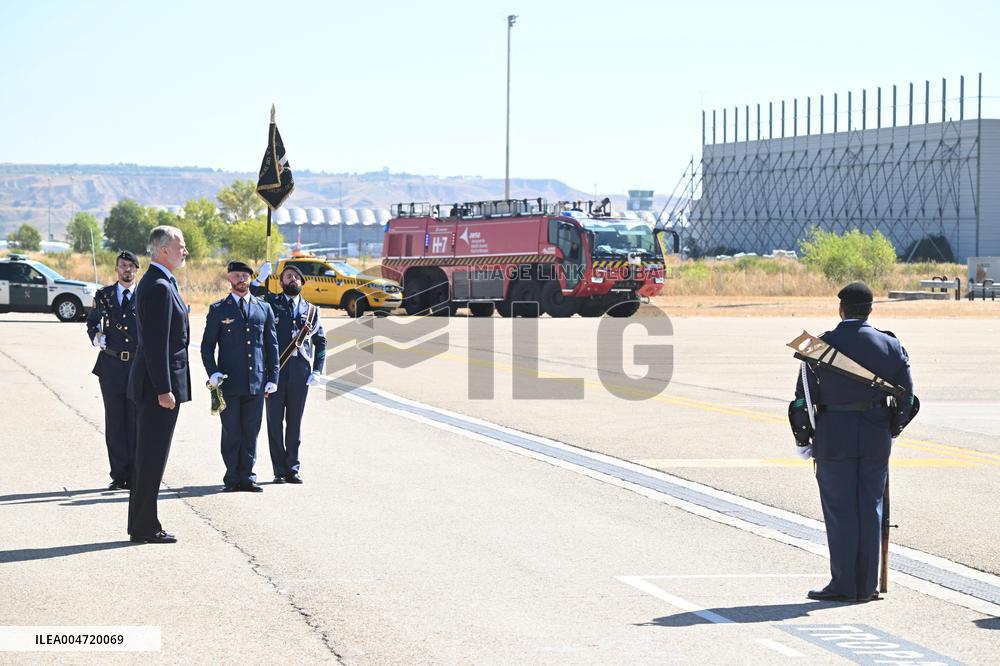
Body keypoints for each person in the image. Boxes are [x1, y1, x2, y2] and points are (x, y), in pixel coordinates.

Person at [796, 282, 914, 602]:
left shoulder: (819, 346)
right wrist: (892, 428)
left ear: (840, 309)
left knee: (840, 511)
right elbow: (910, 400)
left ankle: (843, 584)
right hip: (876, 436)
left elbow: (802, 402)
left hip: (834, 437)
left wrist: (804, 440)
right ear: (871, 310)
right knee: (871, 509)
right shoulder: (891, 345)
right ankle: (866, 587)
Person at [126, 226, 191, 544]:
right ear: (163, 249)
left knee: (148, 458)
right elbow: (155, 344)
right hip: (157, 389)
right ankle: (145, 527)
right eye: (181, 245)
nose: (185, 251)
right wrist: (164, 389)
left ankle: (141, 523)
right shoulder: (159, 286)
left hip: (155, 385)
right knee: (151, 459)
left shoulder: (160, 282)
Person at [201, 261, 279, 492]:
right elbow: (207, 347)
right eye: (236, 276)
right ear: (229, 279)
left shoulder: (263, 308)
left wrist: (273, 377)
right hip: (229, 381)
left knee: (251, 431)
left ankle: (248, 476)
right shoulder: (219, 309)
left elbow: (271, 346)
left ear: (250, 278)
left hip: (256, 382)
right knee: (231, 431)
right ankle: (232, 476)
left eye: (245, 276)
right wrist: (213, 372)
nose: (241, 280)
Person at [264, 264, 326, 484]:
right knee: (274, 423)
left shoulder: (312, 310)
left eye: (296, 277)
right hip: (276, 372)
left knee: (294, 423)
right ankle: (279, 470)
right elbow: (249, 294)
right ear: (280, 282)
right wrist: (258, 279)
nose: (292, 279)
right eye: (287, 276)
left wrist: (318, 369)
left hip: (301, 373)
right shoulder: (271, 303)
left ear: (302, 282)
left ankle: (292, 468)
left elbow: (321, 342)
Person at [86, 250, 140, 490]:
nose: (126, 269)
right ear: (116, 269)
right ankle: (119, 475)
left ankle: (137, 473)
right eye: (122, 266)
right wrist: (96, 337)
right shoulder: (104, 295)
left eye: (130, 266)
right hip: (111, 365)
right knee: (115, 422)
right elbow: (92, 322)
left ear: (137, 269)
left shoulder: (146, 295)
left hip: (138, 367)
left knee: (136, 422)